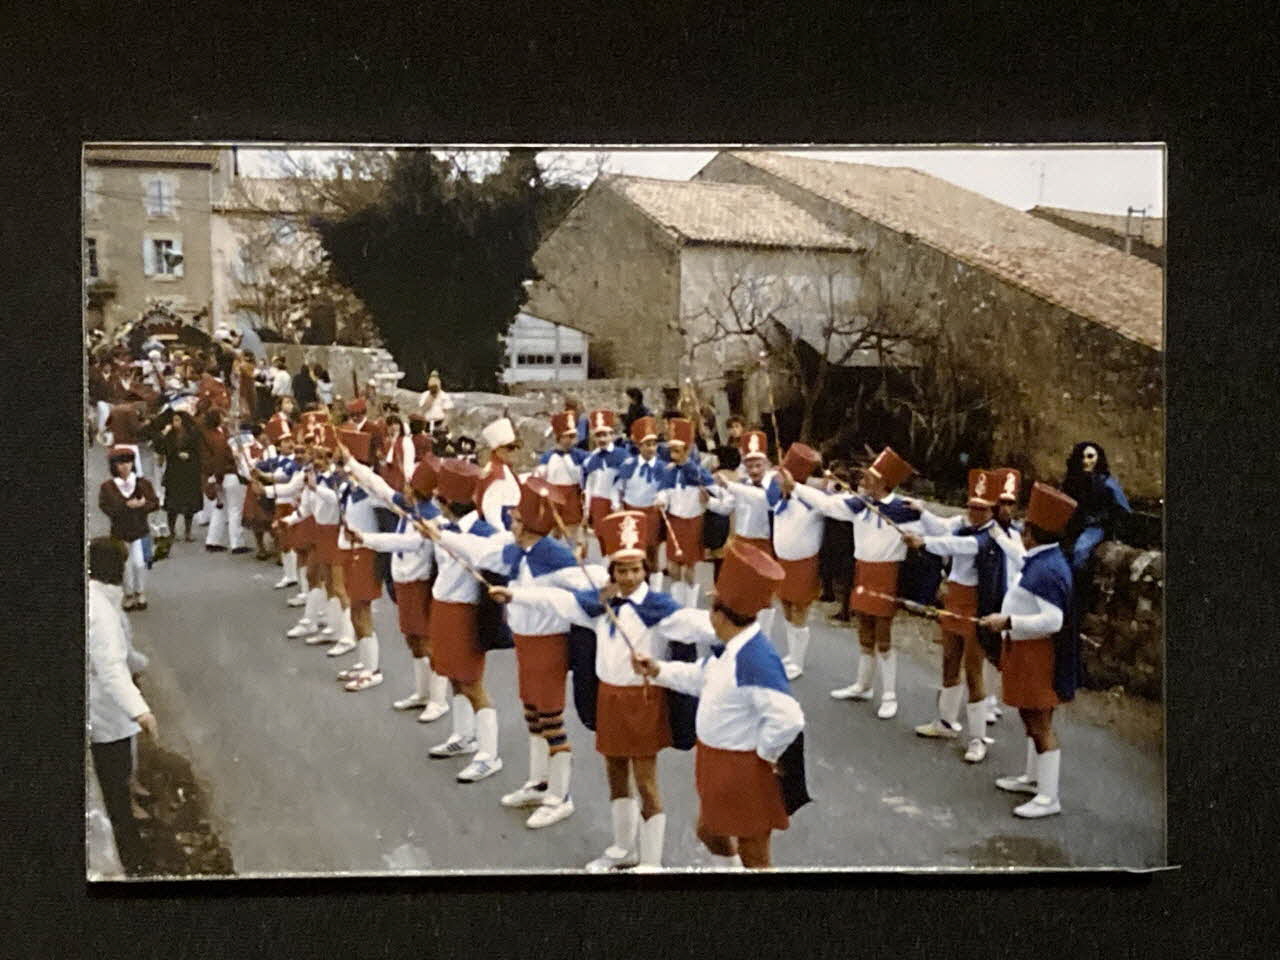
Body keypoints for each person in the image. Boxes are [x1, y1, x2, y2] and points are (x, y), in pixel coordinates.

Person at [492, 509, 711, 870]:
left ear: (645, 570)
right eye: (621, 570)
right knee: (614, 773)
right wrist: (514, 596)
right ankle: (623, 848)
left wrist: (736, 632)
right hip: (608, 698)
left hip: (642, 701)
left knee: (646, 781)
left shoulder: (660, 610)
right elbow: (556, 600)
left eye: (635, 570)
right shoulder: (598, 606)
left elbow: (699, 624)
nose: (628, 577)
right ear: (612, 572)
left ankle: (651, 861)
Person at [430, 479, 607, 826]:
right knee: (532, 714)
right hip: (525, 644)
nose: (509, 523)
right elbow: (477, 551)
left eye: (515, 519)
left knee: (552, 720)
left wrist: (606, 580)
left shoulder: (554, 556)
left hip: (550, 645)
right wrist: (438, 535)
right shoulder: (516, 550)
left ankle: (560, 796)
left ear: (527, 524)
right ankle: (539, 783)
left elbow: (593, 582)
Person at [631, 540, 806, 870]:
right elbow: (703, 678)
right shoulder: (732, 647)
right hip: (716, 763)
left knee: (754, 851)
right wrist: (658, 670)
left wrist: (764, 755)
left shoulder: (755, 659)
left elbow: (789, 719)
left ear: (719, 613)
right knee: (710, 831)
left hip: (742, 768)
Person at [978, 482, 1080, 819]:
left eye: (1025, 526)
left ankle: (1049, 797)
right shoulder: (1043, 558)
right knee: (1029, 717)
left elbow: (1053, 621)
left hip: (1038, 655)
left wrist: (1007, 621)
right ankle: (1033, 778)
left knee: (1039, 721)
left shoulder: (1048, 568)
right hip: (1025, 651)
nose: (1020, 529)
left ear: (1033, 534)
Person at [812, 447, 923, 720]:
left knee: (883, 638)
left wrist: (922, 517)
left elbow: (935, 529)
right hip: (863, 570)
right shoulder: (860, 505)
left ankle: (889, 695)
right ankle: (863, 685)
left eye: (870, 477)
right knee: (864, 631)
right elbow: (827, 505)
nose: (863, 481)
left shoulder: (903, 509)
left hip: (886, 574)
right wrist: (801, 487)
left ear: (884, 483)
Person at [902, 469, 1003, 762]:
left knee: (973, 671)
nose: (974, 512)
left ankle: (978, 737)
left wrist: (923, 544)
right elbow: (943, 529)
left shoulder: (990, 537)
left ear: (992, 510)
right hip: (954, 599)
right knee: (949, 660)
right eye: (971, 506)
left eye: (982, 508)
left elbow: (958, 546)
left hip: (976, 604)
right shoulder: (961, 524)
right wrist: (922, 513)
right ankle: (946, 722)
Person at [417, 459, 506, 784]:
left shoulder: (482, 532)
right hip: (443, 606)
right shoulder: (442, 525)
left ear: (447, 500)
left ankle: (488, 754)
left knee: (472, 683)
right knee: (453, 676)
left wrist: (440, 536)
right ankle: (463, 735)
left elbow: (486, 554)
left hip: (465, 611)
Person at [345, 453, 451, 722]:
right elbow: (378, 486)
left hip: (420, 583)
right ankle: (421, 692)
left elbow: (405, 543)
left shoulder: (430, 519)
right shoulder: (408, 507)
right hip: (404, 583)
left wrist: (367, 538)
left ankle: (438, 700)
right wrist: (351, 461)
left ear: (416, 490)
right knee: (412, 639)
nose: (401, 489)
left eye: (407, 485)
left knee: (427, 641)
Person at [88, 537, 158, 876]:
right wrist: (139, 709)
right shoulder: (99, 610)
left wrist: (139, 663)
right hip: (106, 710)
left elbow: (124, 652)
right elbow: (111, 666)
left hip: (113, 706)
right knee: (114, 784)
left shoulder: (105, 601)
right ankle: (133, 857)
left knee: (120, 771)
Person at [763, 443, 827, 680]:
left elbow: (828, 503)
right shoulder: (778, 495)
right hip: (783, 559)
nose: (778, 479)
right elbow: (769, 498)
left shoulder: (813, 499)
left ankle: (798, 662)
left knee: (800, 608)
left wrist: (798, 489)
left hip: (804, 562)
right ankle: (792, 653)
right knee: (786, 605)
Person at [654, 417, 727, 609]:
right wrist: (661, 500)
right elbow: (664, 490)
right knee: (673, 565)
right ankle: (678, 606)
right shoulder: (669, 471)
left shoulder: (698, 472)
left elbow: (718, 493)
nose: (672, 454)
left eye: (677, 450)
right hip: (675, 521)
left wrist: (713, 499)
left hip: (693, 522)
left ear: (687, 450)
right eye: (672, 450)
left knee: (689, 566)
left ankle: (690, 606)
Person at [713, 429, 778, 640]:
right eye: (749, 466)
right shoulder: (741, 485)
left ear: (766, 464)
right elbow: (726, 507)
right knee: (733, 592)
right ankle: (732, 634)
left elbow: (764, 500)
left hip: (762, 544)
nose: (754, 470)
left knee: (762, 596)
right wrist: (708, 501)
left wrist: (729, 485)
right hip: (740, 542)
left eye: (758, 465)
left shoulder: (772, 487)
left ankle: (763, 637)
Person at [98, 447, 160, 611]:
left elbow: (155, 503)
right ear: (114, 466)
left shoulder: (142, 483)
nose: (125, 466)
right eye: (120, 463)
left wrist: (143, 505)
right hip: (120, 531)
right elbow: (105, 507)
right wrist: (126, 506)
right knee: (125, 566)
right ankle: (128, 594)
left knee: (139, 563)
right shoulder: (108, 487)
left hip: (140, 529)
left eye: (128, 462)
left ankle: (140, 592)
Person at [611, 416, 666, 590]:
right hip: (630, 511)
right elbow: (617, 488)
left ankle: (654, 590)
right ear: (639, 446)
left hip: (651, 512)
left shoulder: (663, 467)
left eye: (654, 444)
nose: (651, 448)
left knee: (652, 552)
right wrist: (617, 506)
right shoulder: (629, 465)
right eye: (647, 444)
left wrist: (662, 498)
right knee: (633, 552)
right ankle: (635, 586)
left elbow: (666, 489)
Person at [1061, 441, 1132, 574]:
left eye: (1090, 456)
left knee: (1080, 552)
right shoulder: (1072, 480)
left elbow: (1124, 511)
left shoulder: (1107, 484)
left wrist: (1109, 525)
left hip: (1095, 527)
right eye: (1082, 457)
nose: (1085, 461)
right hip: (1072, 525)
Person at [532, 411, 589, 550]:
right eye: (568, 436)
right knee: (552, 529)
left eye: (573, 436)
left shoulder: (579, 455)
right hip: (552, 495)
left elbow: (582, 474)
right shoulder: (548, 456)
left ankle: (576, 556)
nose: (571, 440)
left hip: (571, 495)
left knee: (573, 529)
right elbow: (540, 475)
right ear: (559, 437)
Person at [199, 409, 248, 554]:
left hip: (217, 476)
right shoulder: (219, 437)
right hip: (229, 474)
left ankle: (213, 540)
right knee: (235, 509)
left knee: (220, 508)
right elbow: (222, 456)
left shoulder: (208, 435)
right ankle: (237, 543)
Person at [581, 409, 628, 550]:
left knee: (619, 540)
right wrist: (587, 511)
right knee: (602, 540)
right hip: (598, 502)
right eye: (598, 435)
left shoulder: (623, 456)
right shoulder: (590, 460)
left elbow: (625, 482)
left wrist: (620, 504)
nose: (602, 439)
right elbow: (588, 487)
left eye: (605, 435)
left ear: (612, 435)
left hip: (616, 503)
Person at [155, 409, 202, 542]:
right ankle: (172, 531)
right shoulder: (169, 434)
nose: (175, 423)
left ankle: (188, 531)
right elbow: (161, 449)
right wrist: (163, 435)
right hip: (174, 471)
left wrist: (189, 456)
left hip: (189, 471)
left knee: (189, 504)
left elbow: (198, 452)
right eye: (173, 420)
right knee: (172, 505)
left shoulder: (192, 434)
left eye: (177, 420)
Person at [476, 416, 522, 531]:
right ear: (497, 450)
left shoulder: (501, 468)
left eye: (516, 447)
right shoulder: (497, 474)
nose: (515, 451)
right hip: (506, 530)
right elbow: (491, 513)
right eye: (510, 448)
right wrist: (503, 538)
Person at [418, 370, 455, 435]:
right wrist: (430, 399)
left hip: (440, 424)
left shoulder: (444, 396)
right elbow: (422, 411)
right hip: (427, 424)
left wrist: (442, 426)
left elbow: (448, 414)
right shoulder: (425, 395)